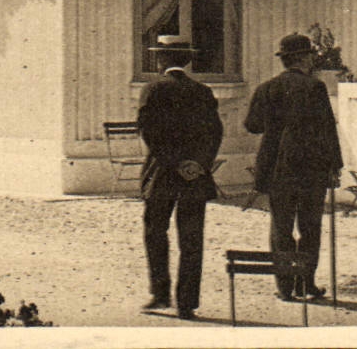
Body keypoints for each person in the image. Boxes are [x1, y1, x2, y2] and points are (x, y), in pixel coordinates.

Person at [244, 32, 342, 301]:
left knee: (281, 228)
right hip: (312, 169)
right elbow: (327, 130)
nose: (312, 60)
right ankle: (305, 284)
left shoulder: (267, 88)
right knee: (310, 227)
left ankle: (285, 287)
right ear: (303, 58)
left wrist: (277, 124)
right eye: (311, 56)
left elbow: (252, 125)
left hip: (278, 169)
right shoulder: (315, 88)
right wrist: (335, 166)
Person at [136, 35, 223, 321]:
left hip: (162, 173)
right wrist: (196, 164)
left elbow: (149, 133)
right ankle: (186, 303)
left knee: (155, 232)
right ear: (187, 60)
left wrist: (175, 163)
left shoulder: (152, 89)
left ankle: (160, 295)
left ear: (161, 60)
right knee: (191, 238)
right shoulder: (203, 91)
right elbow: (214, 133)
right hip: (194, 177)